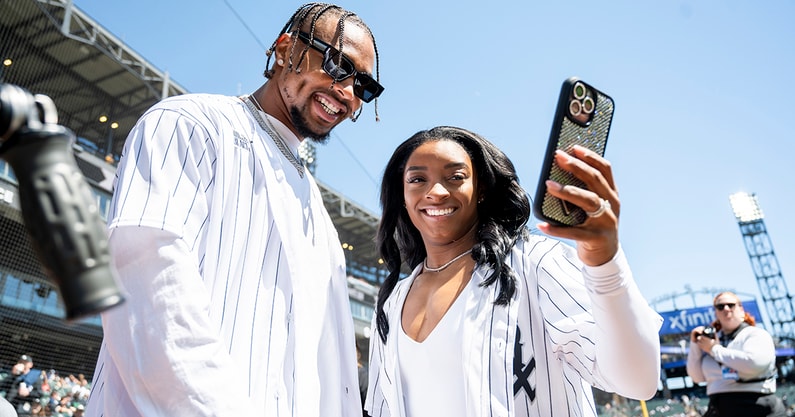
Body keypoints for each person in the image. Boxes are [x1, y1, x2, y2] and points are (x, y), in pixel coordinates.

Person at [84, 3, 383, 417]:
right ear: (284, 50)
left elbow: (331, 372)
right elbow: (153, 297)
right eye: (336, 64)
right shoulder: (190, 125)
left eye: (364, 86)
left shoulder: (318, 212)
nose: (348, 92)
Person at [365, 126, 662, 416]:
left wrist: (605, 263)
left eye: (456, 177)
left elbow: (637, 380)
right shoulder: (391, 302)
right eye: (417, 179)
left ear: (480, 189)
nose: (436, 192)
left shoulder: (535, 262)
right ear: (402, 196)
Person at [686, 291, 786, 417]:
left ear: (740, 309)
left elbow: (754, 363)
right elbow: (697, 377)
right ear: (716, 312)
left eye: (731, 305)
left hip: (756, 405)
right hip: (719, 406)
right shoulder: (712, 340)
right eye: (720, 306)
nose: (726, 309)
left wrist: (714, 349)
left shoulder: (755, 334)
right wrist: (696, 343)